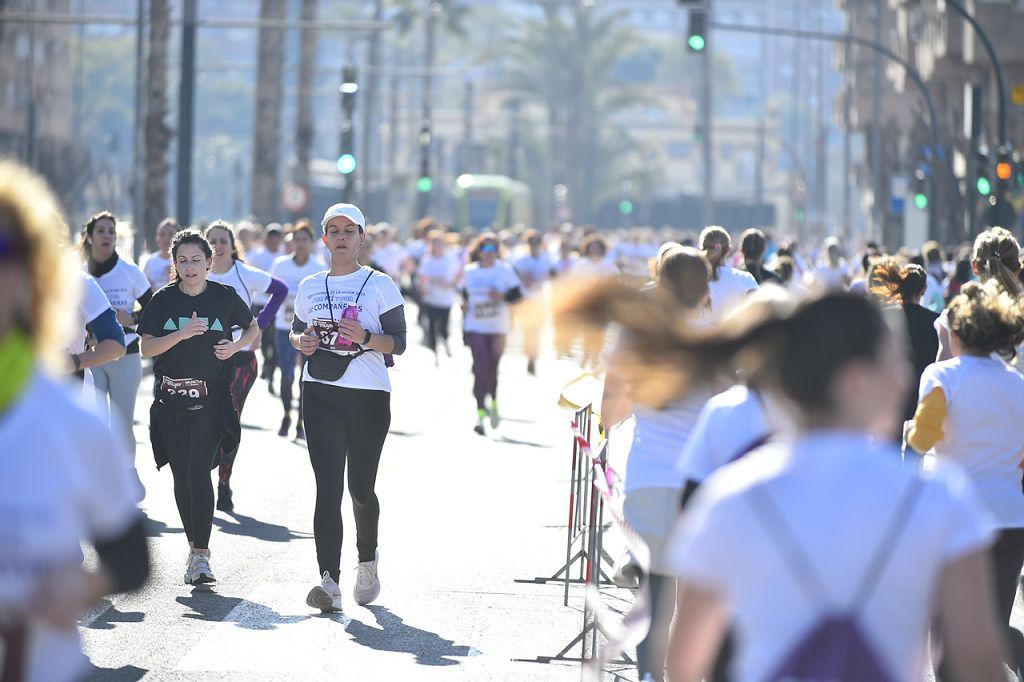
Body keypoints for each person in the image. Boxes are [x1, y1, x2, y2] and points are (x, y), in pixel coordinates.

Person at [657, 293, 1005, 682]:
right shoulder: (940, 497)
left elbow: (684, 661)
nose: (905, 376)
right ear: (855, 380)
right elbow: (977, 659)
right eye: (895, 361)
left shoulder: (729, 498)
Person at [0, 160, 149, 682]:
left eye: (4, 252)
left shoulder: (73, 424)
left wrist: (79, 588)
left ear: (32, 274)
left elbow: (133, 560)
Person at [598, 246, 713, 681]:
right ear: (704, 293)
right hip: (701, 483)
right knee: (697, 601)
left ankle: (649, 675)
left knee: (655, 598)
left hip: (648, 478)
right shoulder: (713, 339)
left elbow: (612, 407)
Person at [290, 203, 407, 612]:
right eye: (333, 231)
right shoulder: (308, 285)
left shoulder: (380, 285)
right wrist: (300, 342)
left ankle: (367, 561)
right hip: (318, 390)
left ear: (361, 238)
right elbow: (295, 331)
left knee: (360, 488)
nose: (340, 238)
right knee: (327, 488)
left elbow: (400, 342)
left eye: (348, 231)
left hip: (368, 394)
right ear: (324, 238)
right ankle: (329, 582)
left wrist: (368, 336)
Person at [908, 281, 1024, 671]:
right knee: (992, 622)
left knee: (946, 624)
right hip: (1011, 520)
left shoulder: (941, 376)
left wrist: (909, 437)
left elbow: (924, 438)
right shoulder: (1018, 384)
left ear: (953, 334)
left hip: (953, 519)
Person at [139, 229, 259, 585]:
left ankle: (201, 555)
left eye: (196, 260)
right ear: (174, 264)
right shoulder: (163, 300)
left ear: (210, 262)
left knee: (198, 473)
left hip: (211, 399)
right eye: (183, 260)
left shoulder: (225, 297)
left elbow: (252, 328)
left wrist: (236, 347)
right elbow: (146, 348)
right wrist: (181, 334)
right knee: (181, 476)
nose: (190, 267)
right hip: (171, 400)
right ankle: (194, 548)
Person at [205, 221, 287, 511]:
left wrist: (260, 326)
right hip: (204, 361)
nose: (217, 245)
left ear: (231, 244)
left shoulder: (244, 273)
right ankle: (202, 476)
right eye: (211, 240)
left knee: (229, 422)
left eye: (222, 240)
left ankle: (223, 482)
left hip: (240, 360)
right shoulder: (197, 273)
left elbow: (280, 290)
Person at [80, 211, 154, 468]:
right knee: (93, 421)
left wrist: (131, 319)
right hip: (91, 357)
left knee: (121, 423)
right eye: (101, 231)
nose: (107, 236)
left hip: (126, 354)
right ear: (89, 237)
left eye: (111, 231)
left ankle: (126, 473)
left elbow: (154, 310)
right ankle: (98, 477)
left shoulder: (129, 271)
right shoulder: (78, 272)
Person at [868, 259, 939, 446]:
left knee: (889, 445)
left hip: (893, 386)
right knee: (915, 451)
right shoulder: (934, 321)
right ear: (923, 290)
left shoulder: (887, 316)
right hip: (922, 389)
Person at [461, 232, 524, 435]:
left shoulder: (505, 270)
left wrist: (502, 295)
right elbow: (463, 294)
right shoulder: (470, 271)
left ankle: (493, 400)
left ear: (498, 251)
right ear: (478, 251)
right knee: (480, 368)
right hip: (476, 326)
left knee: (492, 370)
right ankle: (480, 413)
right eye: (485, 248)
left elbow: (518, 296)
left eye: (493, 248)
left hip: (498, 327)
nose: (489, 253)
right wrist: (463, 305)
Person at [270, 221, 324, 439]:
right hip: (285, 327)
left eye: (305, 240)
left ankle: (301, 421)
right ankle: (286, 415)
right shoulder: (280, 265)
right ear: (291, 242)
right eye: (297, 239)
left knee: (305, 378)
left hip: (310, 331)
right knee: (286, 376)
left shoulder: (319, 268)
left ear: (312, 243)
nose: (300, 244)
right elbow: (269, 293)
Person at [415, 228, 461, 365]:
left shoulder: (450, 258)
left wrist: (452, 284)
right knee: (432, 325)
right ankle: (435, 353)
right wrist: (423, 287)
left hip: (446, 298)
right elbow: (421, 276)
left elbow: (459, 273)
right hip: (430, 298)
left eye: (439, 243)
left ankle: (445, 340)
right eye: (434, 243)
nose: (437, 246)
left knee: (444, 326)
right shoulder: (427, 259)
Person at [514, 229, 556, 375]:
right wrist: (524, 279)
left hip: (541, 300)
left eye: (536, 243)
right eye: (531, 243)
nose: (534, 246)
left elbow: (554, 277)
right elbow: (514, 278)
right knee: (527, 330)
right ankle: (529, 354)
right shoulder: (521, 261)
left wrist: (543, 279)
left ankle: (533, 356)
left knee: (537, 330)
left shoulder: (548, 259)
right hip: (526, 300)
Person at [250, 225, 285, 392]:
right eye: (271, 238)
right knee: (263, 339)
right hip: (260, 302)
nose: (274, 242)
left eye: (277, 239)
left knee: (274, 340)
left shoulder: (282, 257)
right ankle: (266, 360)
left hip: (278, 304)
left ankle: (271, 371)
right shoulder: (258, 256)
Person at [699, 225, 757, 317]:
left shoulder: (691, 280)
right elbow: (759, 313)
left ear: (702, 249)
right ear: (729, 250)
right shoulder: (745, 279)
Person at [141, 217, 179, 291]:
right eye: (162, 234)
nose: (166, 238)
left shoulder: (182, 261)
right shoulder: (150, 261)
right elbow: (143, 288)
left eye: (171, 234)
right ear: (157, 239)